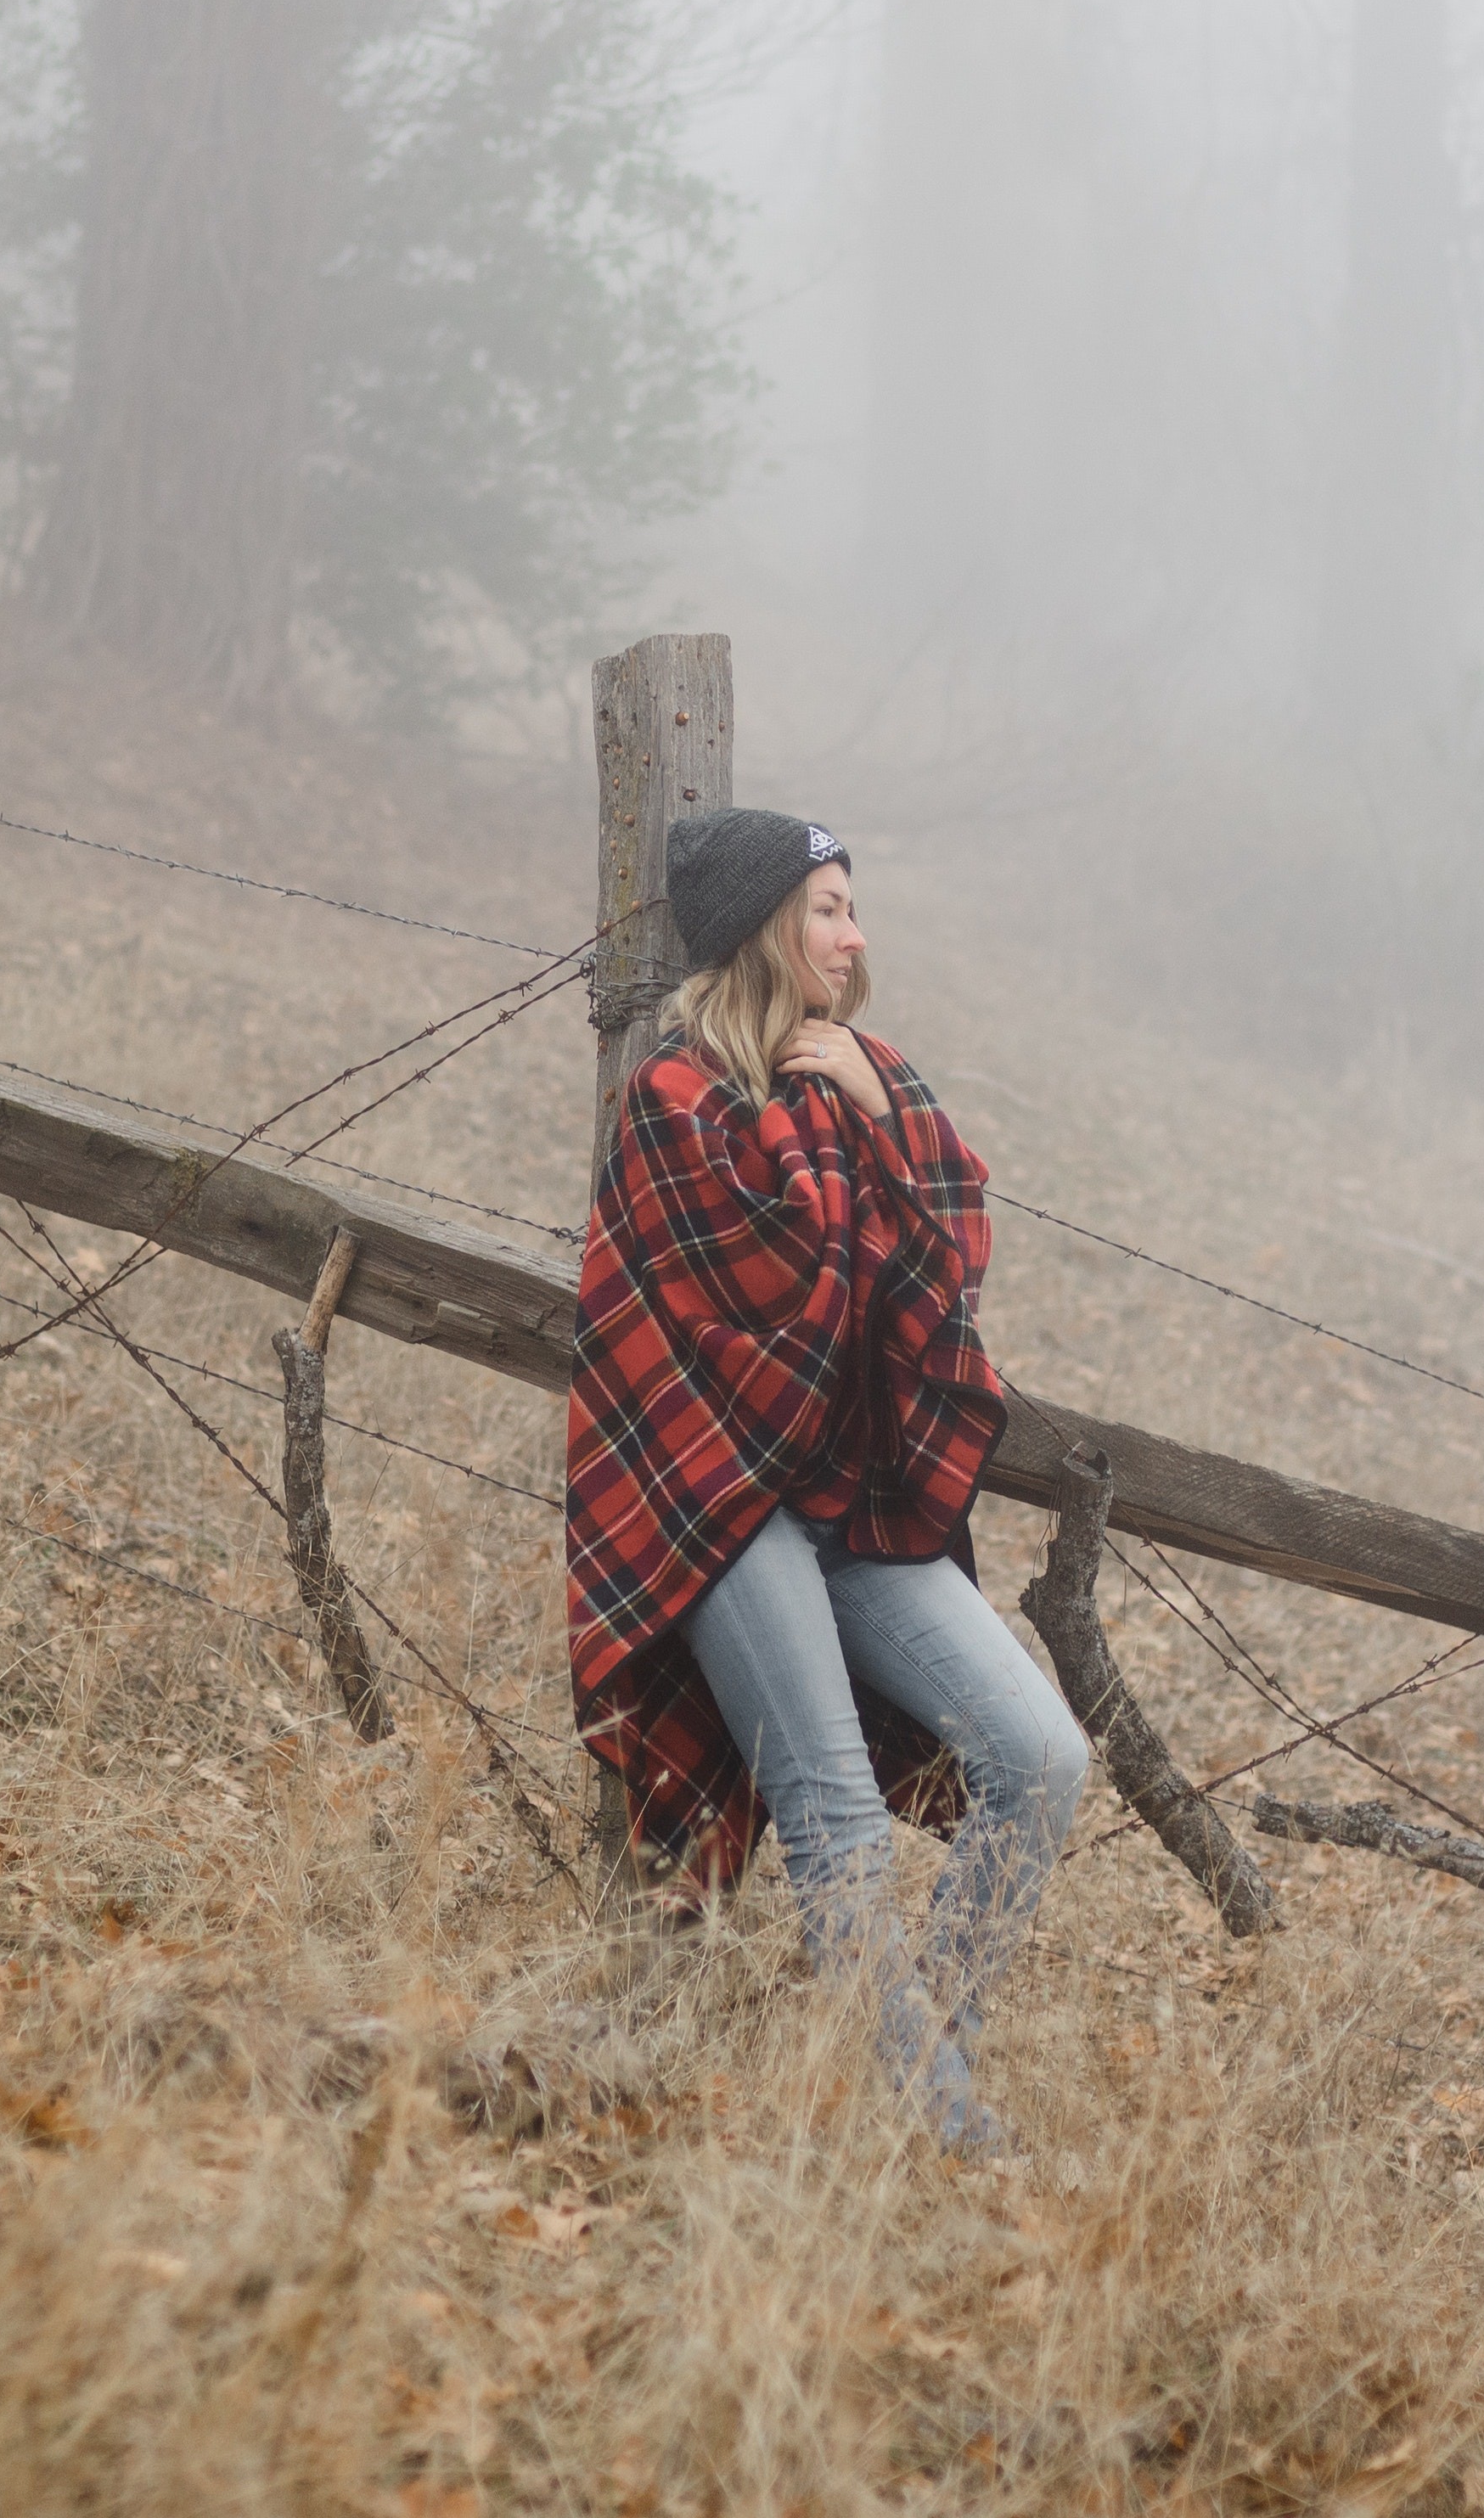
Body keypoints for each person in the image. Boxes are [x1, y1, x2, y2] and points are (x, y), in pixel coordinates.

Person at [565, 804, 1089, 2149]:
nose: (856, 938)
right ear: (762, 931)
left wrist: (876, 1114)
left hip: (855, 1501)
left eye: (856, 909)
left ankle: (931, 2062)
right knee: (834, 1807)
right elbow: (776, 1303)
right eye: (830, 910)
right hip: (723, 1499)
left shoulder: (875, 1080)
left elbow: (949, 1264)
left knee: (1039, 1758)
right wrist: (856, 1137)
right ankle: (941, 2126)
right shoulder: (671, 1104)